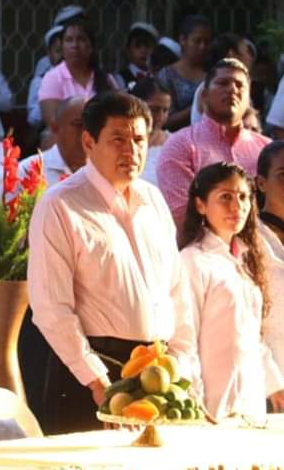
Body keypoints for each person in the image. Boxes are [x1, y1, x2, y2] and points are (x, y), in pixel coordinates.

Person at [28, 92, 201, 434]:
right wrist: (97, 382)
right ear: (89, 142)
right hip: (90, 371)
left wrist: (181, 366)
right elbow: (51, 308)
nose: (131, 151)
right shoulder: (61, 204)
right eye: (118, 139)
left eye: (139, 140)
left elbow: (177, 293)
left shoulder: (153, 200)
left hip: (159, 372)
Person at [178, 162, 284, 418]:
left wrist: (276, 388)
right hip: (211, 405)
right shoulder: (193, 260)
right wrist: (194, 398)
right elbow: (184, 339)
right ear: (200, 205)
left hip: (250, 402)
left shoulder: (244, 262)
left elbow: (253, 339)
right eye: (225, 197)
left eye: (243, 197)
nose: (236, 206)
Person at [158, 58, 269, 229]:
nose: (232, 89)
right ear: (204, 95)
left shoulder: (266, 148)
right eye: (223, 83)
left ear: (249, 98)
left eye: (240, 85)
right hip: (202, 244)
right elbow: (182, 215)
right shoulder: (181, 145)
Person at [37, 17, 119, 126]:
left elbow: (117, 116)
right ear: (62, 47)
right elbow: (53, 121)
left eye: (81, 39)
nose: (74, 45)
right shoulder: (52, 78)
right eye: (69, 40)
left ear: (91, 46)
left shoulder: (106, 79)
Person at [255, 141, 284, 384]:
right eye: (283, 175)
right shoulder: (248, 238)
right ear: (261, 183)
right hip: (270, 375)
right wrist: (273, 382)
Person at [18, 96, 86, 188]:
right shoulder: (26, 171)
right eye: (78, 124)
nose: (86, 133)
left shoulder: (103, 169)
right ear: (55, 128)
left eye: (92, 125)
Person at [159, 15, 212, 130]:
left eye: (206, 42)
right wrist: (198, 106)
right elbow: (164, 121)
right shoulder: (167, 75)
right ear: (183, 40)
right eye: (197, 41)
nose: (202, 46)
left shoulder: (213, 75)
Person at [130, 79, 174, 185]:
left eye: (165, 110)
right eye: (154, 109)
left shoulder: (174, 143)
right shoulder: (120, 141)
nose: (160, 117)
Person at [26, 24, 65, 129]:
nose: (63, 56)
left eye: (66, 51)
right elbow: (32, 119)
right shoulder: (39, 81)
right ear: (49, 53)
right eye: (58, 51)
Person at [115, 22, 158, 89]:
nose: (143, 51)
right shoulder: (120, 78)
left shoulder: (158, 77)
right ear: (128, 50)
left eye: (147, 46)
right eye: (137, 46)